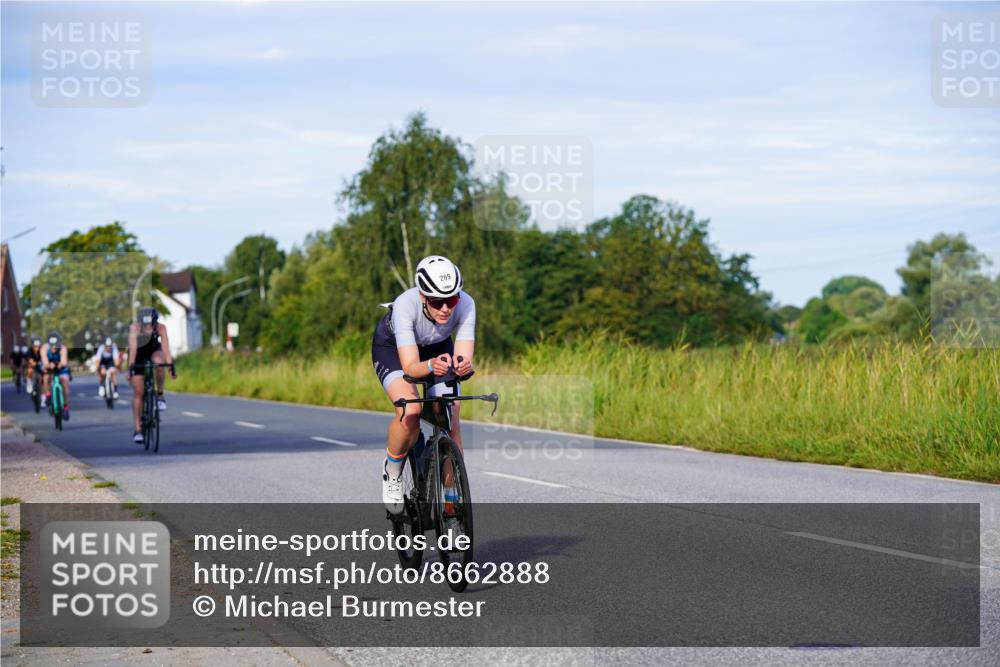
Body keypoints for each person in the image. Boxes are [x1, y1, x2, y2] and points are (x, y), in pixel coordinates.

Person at [371, 255, 475, 515]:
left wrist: (464, 366)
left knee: (450, 416)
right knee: (411, 411)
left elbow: (463, 356)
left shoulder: (467, 305)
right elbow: (410, 368)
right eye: (437, 301)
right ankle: (392, 471)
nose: (446, 309)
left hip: (437, 347)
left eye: (451, 300)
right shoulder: (406, 305)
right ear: (422, 296)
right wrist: (430, 367)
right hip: (395, 350)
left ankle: (452, 503)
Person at [128, 308, 175, 443]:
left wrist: (170, 366)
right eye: (146, 325)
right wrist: (131, 368)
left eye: (151, 325)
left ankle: (160, 395)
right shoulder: (135, 328)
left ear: (155, 323)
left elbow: (166, 349)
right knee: (138, 392)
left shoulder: (160, 328)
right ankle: (137, 430)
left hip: (154, 350)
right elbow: (133, 349)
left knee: (159, 363)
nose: (148, 328)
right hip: (139, 354)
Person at [40, 332, 71, 420]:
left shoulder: (63, 348)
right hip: (49, 367)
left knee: (64, 382)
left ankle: (65, 407)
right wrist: (49, 365)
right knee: (46, 377)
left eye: (55, 345)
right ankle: (48, 395)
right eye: (51, 345)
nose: (53, 347)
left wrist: (59, 365)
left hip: (61, 368)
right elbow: (45, 363)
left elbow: (64, 362)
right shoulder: (44, 348)